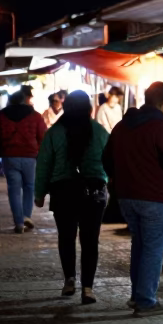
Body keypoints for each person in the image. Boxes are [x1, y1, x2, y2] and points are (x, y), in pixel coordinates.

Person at [105, 82, 163, 316]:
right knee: (153, 250)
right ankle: (145, 301)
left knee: (140, 246)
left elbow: (106, 160)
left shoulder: (122, 126)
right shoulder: (162, 127)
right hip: (155, 198)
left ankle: (138, 296)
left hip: (126, 198)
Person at [34, 91, 109, 304]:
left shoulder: (55, 132)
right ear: (89, 108)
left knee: (66, 238)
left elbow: (44, 165)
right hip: (93, 192)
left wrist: (39, 194)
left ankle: (69, 280)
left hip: (63, 192)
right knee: (90, 241)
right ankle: (88, 288)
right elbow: (109, 161)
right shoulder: (99, 131)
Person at [0, 86, 47, 233]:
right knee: (29, 187)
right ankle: (26, 216)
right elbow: (42, 135)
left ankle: (18, 223)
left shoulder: (2, 115)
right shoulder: (35, 115)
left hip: (9, 156)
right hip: (30, 156)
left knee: (14, 189)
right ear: (24, 100)